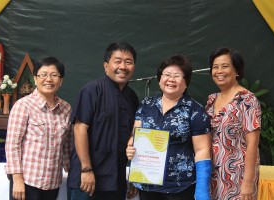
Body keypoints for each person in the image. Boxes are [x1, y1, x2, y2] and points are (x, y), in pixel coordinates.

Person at [126, 55, 212, 200]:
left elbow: (202, 150)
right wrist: (130, 148)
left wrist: (202, 190)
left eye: (177, 76)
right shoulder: (146, 105)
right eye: (167, 75)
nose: (171, 79)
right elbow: (134, 137)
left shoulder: (195, 110)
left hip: (180, 187)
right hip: (147, 183)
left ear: (186, 82)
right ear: (160, 79)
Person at [67, 42, 139, 200]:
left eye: (128, 62)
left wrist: (134, 177)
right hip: (87, 179)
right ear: (106, 66)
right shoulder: (91, 90)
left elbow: (133, 139)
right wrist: (86, 170)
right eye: (118, 61)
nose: (123, 66)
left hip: (116, 180)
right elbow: (79, 129)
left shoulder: (132, 97)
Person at [5, 57, 72, 200]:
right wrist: (16, 179)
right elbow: (12, 145)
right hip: (26, 182)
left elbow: (66, 145)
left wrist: (72, 171)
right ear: (35, 79)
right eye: (43, 75)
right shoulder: (23, 106)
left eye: (54, 75)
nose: (49, 79)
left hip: (52, 183)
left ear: (61, 81)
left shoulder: (66, 108)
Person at [205, 47, 261, 200]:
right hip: (212, 177)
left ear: (236, 70)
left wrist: (248, 183)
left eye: (225, 66)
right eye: (215, 67)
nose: (219, 71)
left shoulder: (247, 100)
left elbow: (252, 143)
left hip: (237, 180)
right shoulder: (211, 100)